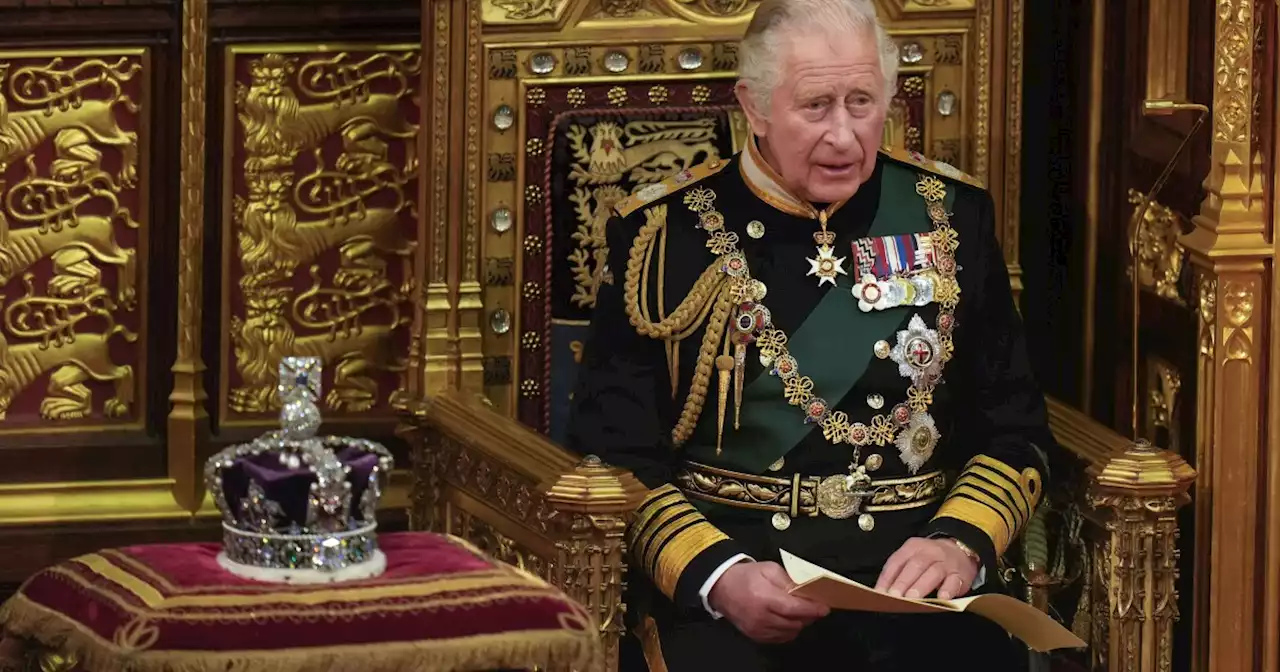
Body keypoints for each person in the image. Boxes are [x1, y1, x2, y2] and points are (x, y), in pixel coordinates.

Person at [566, 1, 1054, 669]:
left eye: (863, 102)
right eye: (816, 106)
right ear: (754, 106)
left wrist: (960, 542)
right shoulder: (665, 236)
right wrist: (718, 576)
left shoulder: (951, 216)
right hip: (741, 583)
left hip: (917, 591)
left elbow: (1015, 426)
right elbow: (610, 452)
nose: (846, 136)